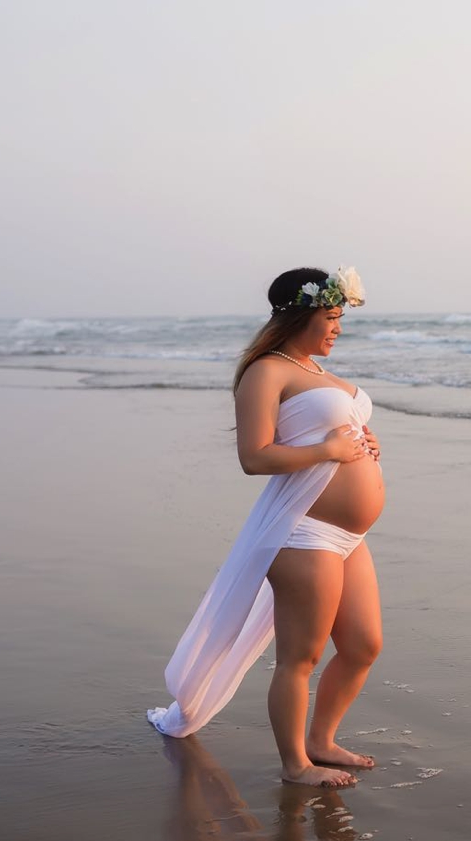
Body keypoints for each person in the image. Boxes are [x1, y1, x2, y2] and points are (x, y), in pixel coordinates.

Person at [148, 266, 389, 786]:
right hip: (305, 532)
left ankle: (321, 741)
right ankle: (295, 765)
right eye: (331, 317)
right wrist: (329, 450)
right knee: (302, 655)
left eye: (340, 318)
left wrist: (365, 443)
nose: (338, 328)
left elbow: (334, 431)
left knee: (363, 645)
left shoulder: (318, 372)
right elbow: (254, 457)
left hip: (350, 537)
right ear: (300, 315)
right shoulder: (267, 371)